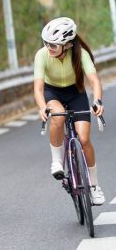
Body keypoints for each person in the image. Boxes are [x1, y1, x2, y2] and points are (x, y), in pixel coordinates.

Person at [34, 17, 105, 205]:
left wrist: (97, 101)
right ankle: (56, 161)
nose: (49, 47)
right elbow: (38, 88)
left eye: (54, 45)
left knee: (84, 139)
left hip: (76, 93)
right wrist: (42, 107)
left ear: (67, 45)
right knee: (57, 117)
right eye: (46, 43)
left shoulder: (80, 54)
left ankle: (94, 186)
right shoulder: (42, 55)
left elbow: (95, 81)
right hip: (52, 91)